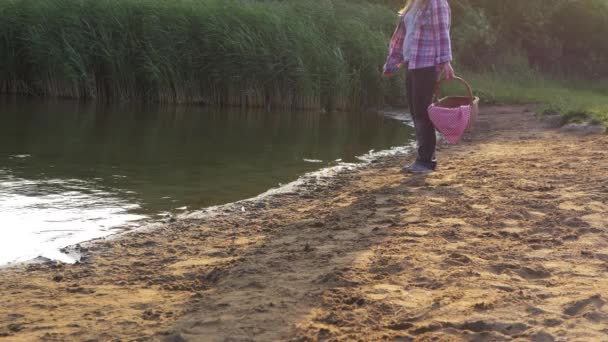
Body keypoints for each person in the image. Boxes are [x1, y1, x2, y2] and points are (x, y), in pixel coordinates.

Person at [384, 0, 454, 174]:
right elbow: (400, 36)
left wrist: (445, 61)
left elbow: (442, 33)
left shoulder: (436, 3)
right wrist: (392, 62)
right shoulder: (412, 4)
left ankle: (425, 161)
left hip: (427, 63)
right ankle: (423, 158)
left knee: (422, 113)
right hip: (411, 63)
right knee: (416, 113)